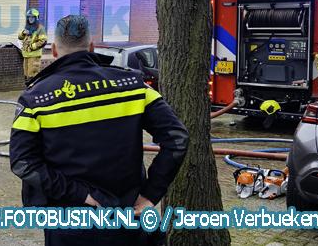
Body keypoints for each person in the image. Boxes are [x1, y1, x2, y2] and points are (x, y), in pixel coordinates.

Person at [10, 15, 188, 246]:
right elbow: (177, 138)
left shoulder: (35, 98)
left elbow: (23, 163)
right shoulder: (133, 85)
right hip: (130, 217)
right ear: (91, 47)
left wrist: (80, 195)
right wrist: (150, 195)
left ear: (54, 50)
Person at [18, 8, 47, 80]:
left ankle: (34, 90)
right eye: (29, 17)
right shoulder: (27, 27)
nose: (30, 19)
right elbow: (19, 37)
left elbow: (43, 41)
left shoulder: (40, 28)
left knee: (33, 76)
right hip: (26, 55)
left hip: (34, 56)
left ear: (36, 18)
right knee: (26, 76)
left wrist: (31, 47)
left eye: (32, 17)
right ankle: (28, 90)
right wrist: (23, 33)